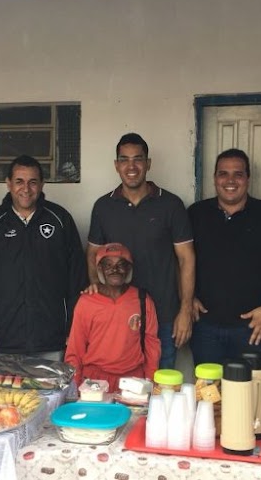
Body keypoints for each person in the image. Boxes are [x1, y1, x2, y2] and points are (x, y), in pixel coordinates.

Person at [87, 133, 195, 369]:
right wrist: (98, 290)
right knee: (121, 387)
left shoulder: (171, 205)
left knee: (161, 389)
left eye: (138, 159)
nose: (131, 166)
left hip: (164, 315)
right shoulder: (103, 206)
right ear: (116, 166)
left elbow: (186, 259)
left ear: (148, 163)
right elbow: (93, 254)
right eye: (124, 160)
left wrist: (185, 310)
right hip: (119, 316)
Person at [0, 155, 86, 361]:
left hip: (52, 340)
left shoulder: (60, 220)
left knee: (52, 394)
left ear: (41, 184)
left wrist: (73, 330)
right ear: (8, 184)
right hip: (3, 341)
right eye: (19, 181)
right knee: (8, 395)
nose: (26, 189)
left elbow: (77, 280)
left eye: (33, 182)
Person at [188, 149, 261, 365]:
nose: (230, 180)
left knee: (249, 396)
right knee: (208, 396)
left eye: (238, 174)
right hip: (205, 327)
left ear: (248, 178)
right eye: (223, 173)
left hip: (253, 327)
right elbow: (180, 262)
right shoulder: (195, 214)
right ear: (215, 178)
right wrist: (187, 298)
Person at [65, 243, 160, 392]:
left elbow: (152, 344)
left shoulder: (142, 300)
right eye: (108, 265)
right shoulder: (87, 302)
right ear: (100, 269)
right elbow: (75, 348)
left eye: (121, 265)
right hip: (94, 379)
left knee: (134, 416)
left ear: (129, 269)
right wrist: (74, 387)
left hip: (133, 379)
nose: (114, 270)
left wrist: (151, 380)